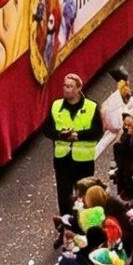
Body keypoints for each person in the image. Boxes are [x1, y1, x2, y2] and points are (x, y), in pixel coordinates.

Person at [47, 73, 102, 214]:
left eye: (70, 86)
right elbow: (47, 129)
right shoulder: (56, 106)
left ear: (78, 89)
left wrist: (78, 136)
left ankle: (84, 224)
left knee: (84, 196)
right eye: (65, 86)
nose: (66, 89)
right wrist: (60, 135)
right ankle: (65, 227)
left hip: (83, 162)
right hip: (62, 160)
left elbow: (97, 132)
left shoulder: (91, 107)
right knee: (64, 197)